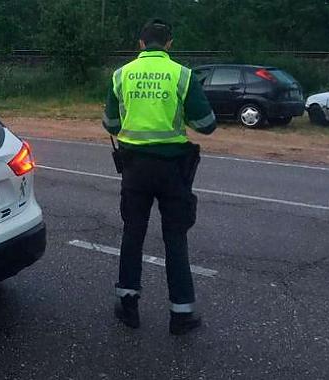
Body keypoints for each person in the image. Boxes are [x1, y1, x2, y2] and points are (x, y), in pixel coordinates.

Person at [101, 18, 217, 335]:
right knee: (175, 238)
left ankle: (127, 304)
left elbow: (110, 123)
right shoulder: (182, 74)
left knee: (132, 233)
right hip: (173, 169)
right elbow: (206, 123)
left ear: (140, 43)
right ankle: (181, 314)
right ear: (169, 44)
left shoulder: (121, 74)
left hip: (134, 168)